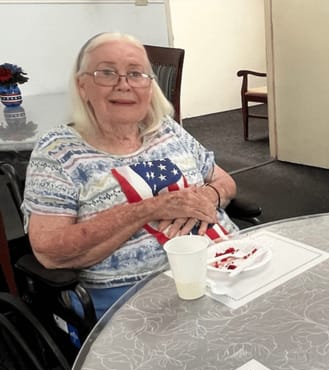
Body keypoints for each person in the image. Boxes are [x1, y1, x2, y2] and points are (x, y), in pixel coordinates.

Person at [21, 32, 239, 317]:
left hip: (228, 265)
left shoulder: (167, 129)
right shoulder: (59, 152)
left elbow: (225, 182)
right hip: (141, 297)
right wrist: (150, 208)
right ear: (82, 86)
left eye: (136, 74)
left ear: (150, 86)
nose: (123, 85)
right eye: (107, 73)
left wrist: (210, 196)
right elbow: (50, 252)